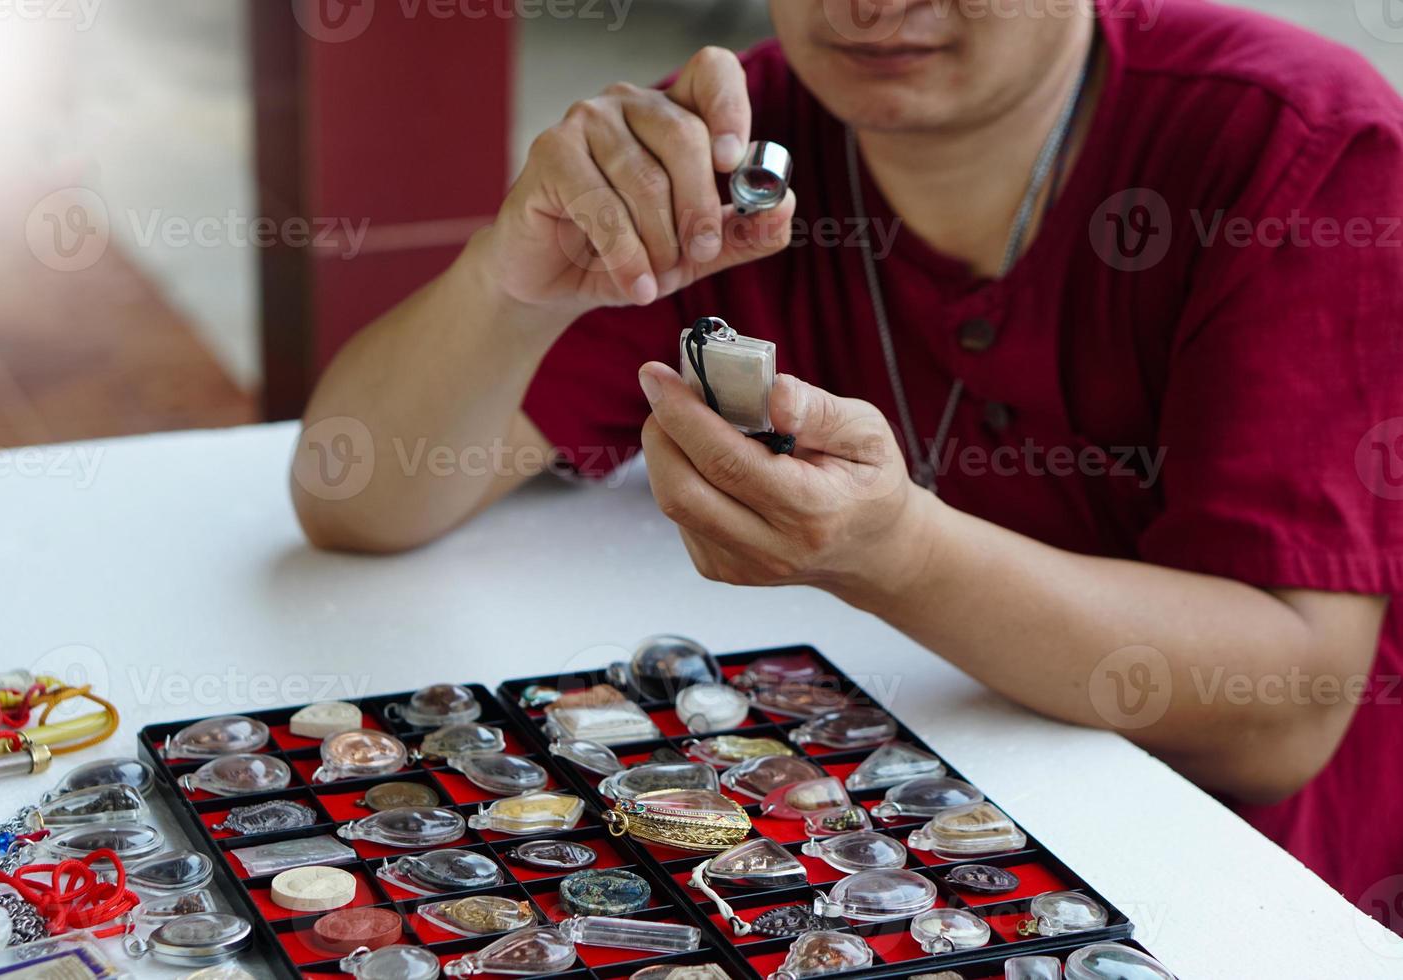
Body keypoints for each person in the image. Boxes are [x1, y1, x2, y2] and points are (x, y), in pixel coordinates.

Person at [291, 0, 1403, 926]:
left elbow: (1286, 709)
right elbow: (358, 498)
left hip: (1232, 888)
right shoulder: (743, 146)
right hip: (871, 833)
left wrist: (896, 550)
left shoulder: (1293, 142)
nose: (871, 8)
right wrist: (509, 280)